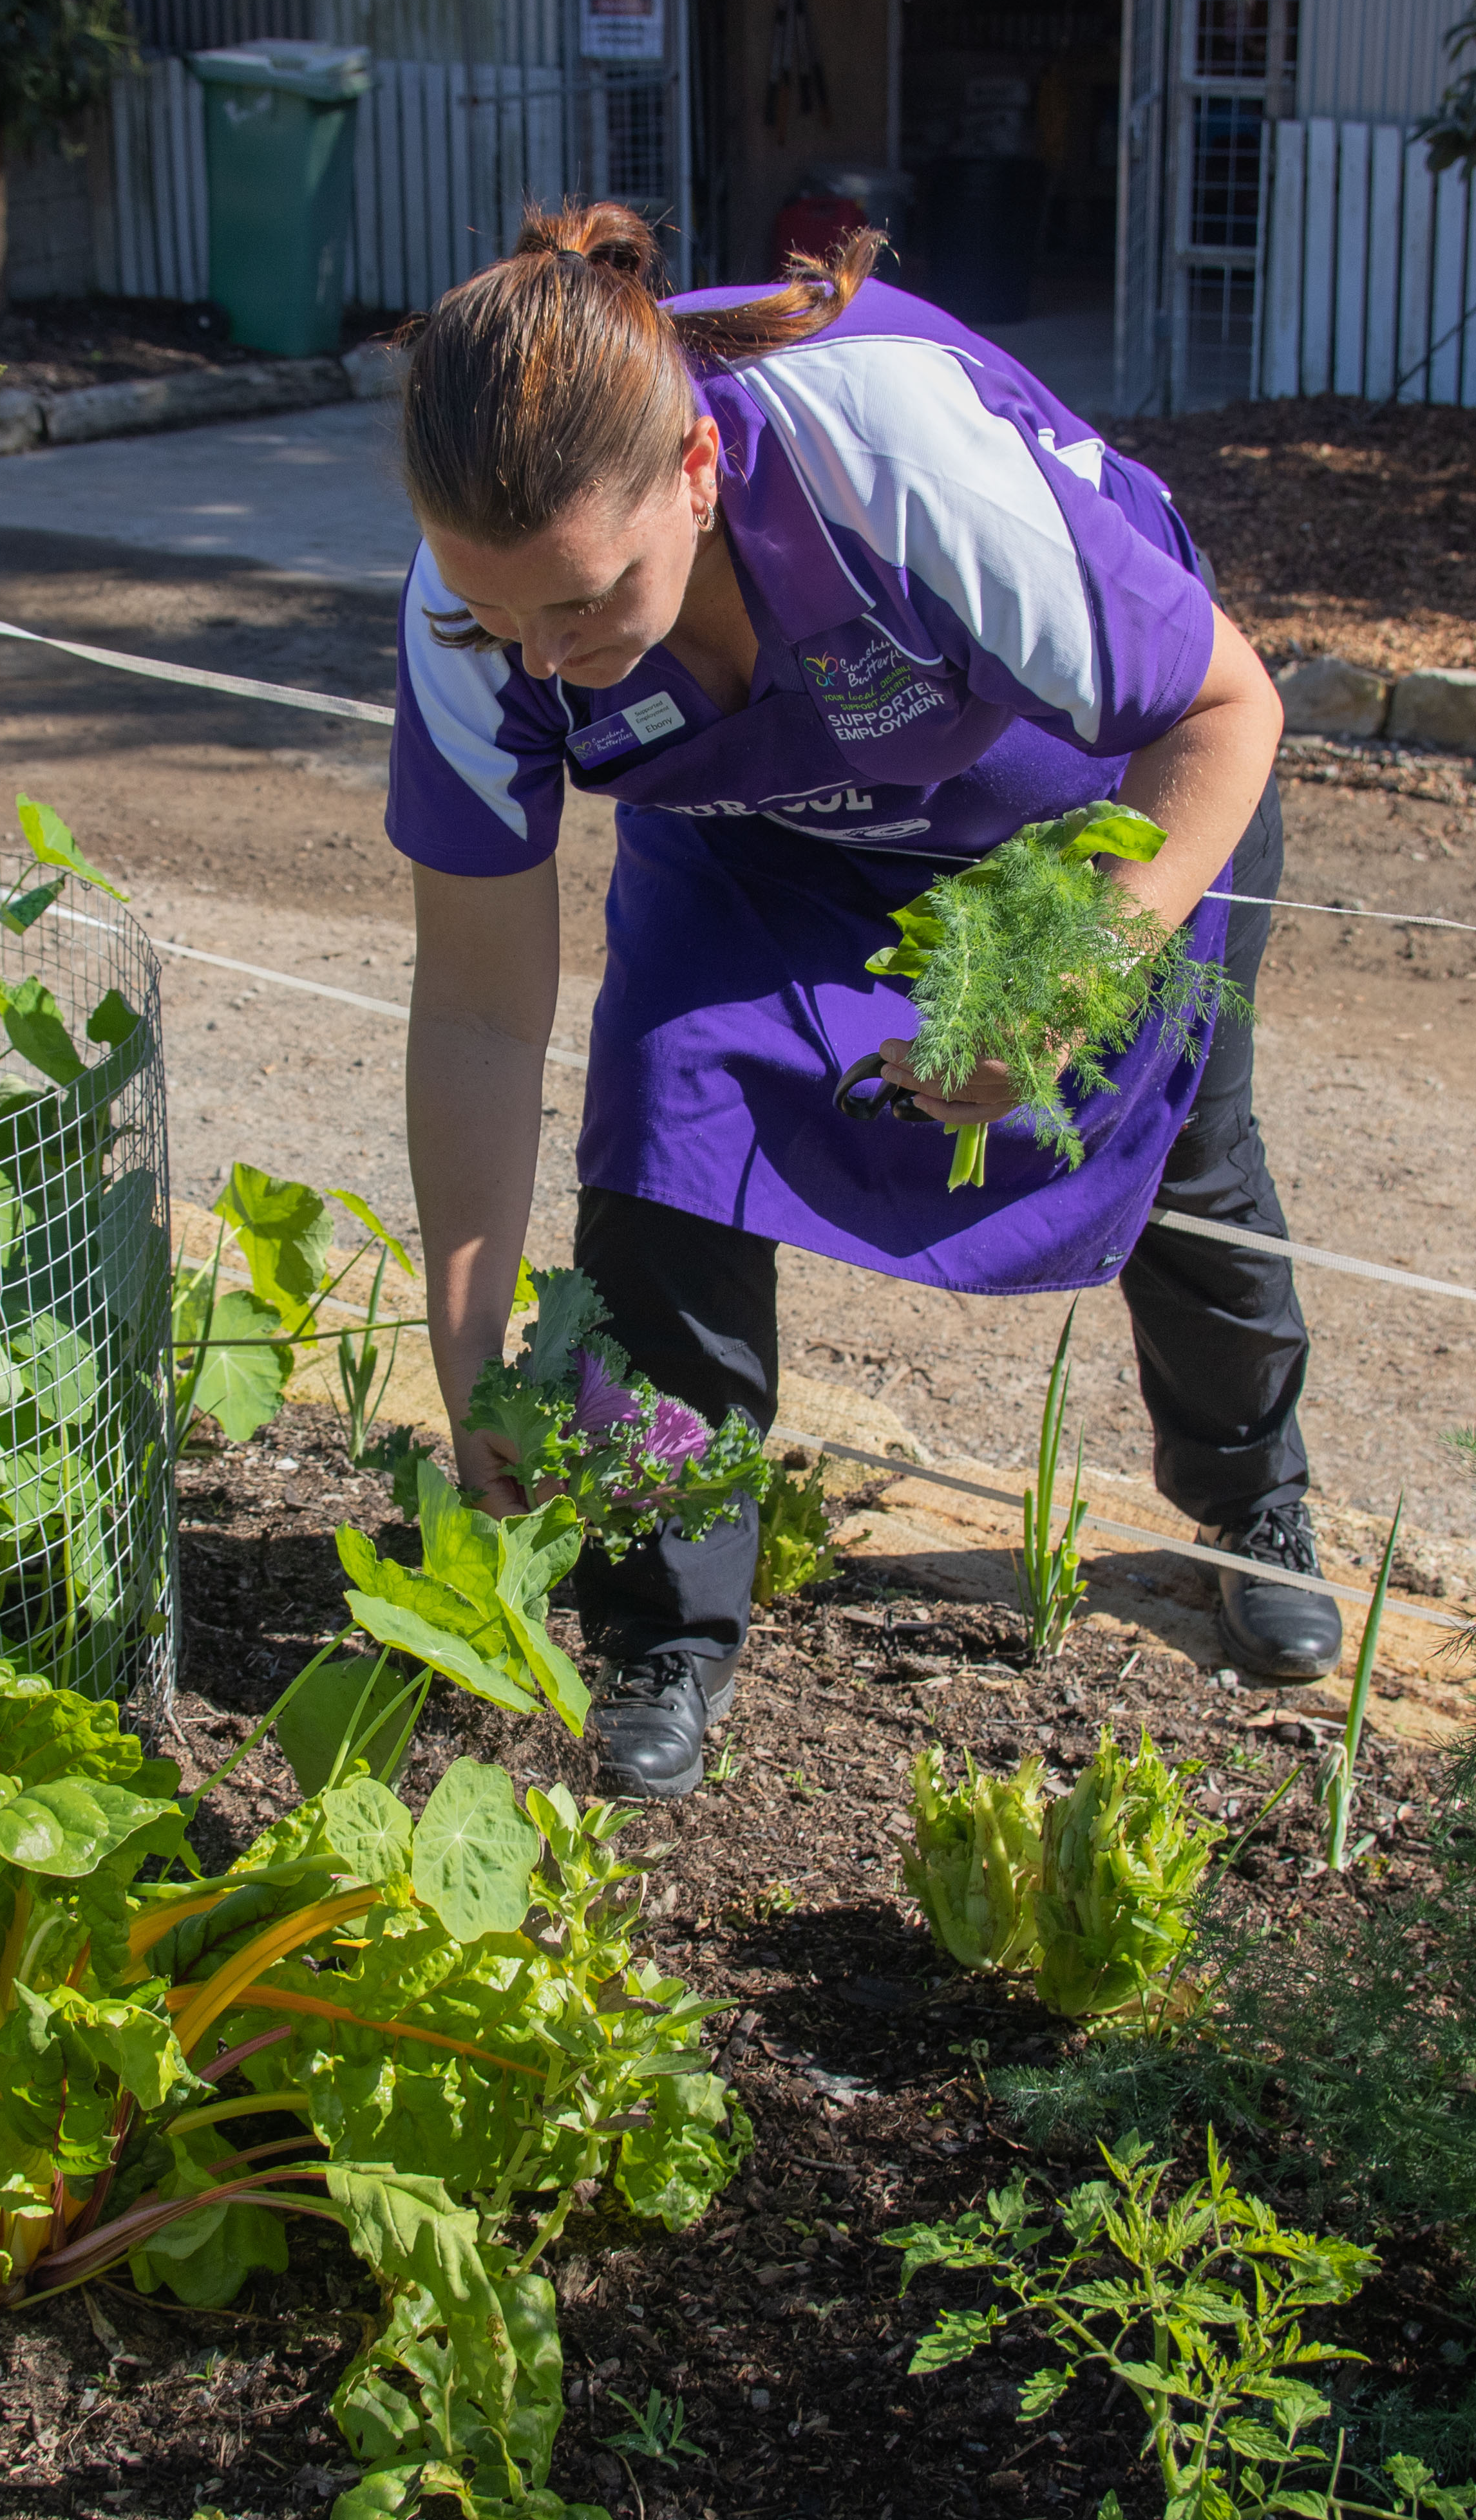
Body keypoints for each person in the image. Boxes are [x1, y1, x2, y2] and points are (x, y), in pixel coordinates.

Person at [388, 202, 1337, 1801]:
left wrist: (1051, 986)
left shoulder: (891, 455)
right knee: (669, 1111)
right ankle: (663, 1632)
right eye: (504, 620)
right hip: (764, 831)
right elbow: (481, 1005)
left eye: (583, 605)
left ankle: (1259, 1503)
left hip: (1092, 810)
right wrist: (468, 1327)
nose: (538, 663)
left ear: (696, 471)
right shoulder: (472, 617)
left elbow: (1232, 709)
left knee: (1175, 1147)